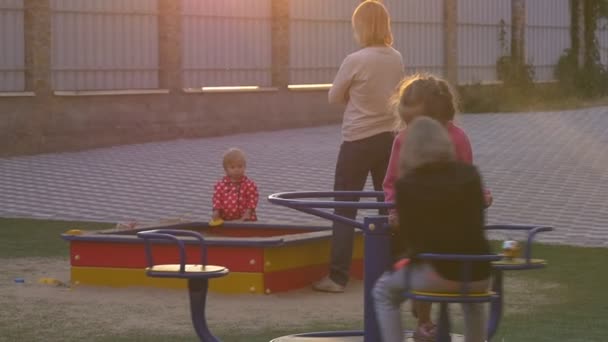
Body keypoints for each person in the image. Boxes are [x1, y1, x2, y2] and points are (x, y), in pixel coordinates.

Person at [381, 74, 493, 339]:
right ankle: (425, 320)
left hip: (435, 261)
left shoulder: (410, 186)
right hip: (477, 268)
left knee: (387, 289)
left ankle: (418, 321)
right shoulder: (469, 175)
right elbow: (390, 184)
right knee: (472, 297)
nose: (410, 131)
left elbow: (415, 230)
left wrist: (400, 215)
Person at [313, 0, 404, 293]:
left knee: (345, 208)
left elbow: (334, 96)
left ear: (361, 27)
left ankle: (338, 277)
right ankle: (391, 269)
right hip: (388, 138)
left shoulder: (356, 59)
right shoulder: (396, 58)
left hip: (356, 140)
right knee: (387, 204)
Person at [212, 148, 259, 222]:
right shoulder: (220, 185)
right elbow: (217, 199)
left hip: (245, 220)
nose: (236, 170)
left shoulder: (249, 184)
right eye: (232, 167)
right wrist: (216, 211)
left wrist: (248, 213)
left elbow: (252, 200)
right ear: (226, 170)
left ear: (244, 166)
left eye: (240, 166)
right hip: (225, 221)